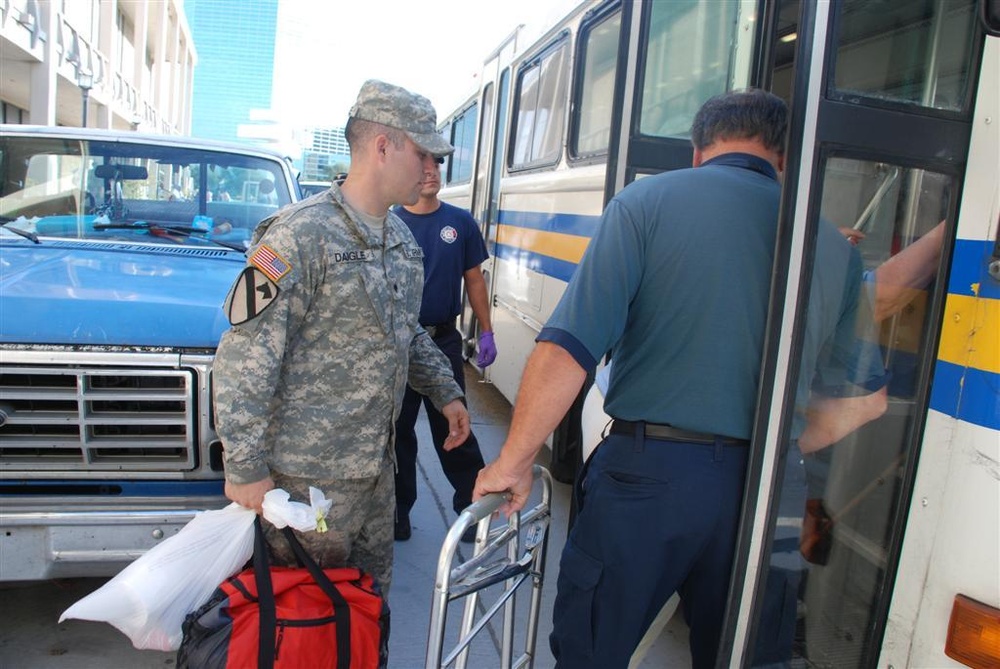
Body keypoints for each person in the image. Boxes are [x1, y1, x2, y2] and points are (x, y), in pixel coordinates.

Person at [473, 89, 888, 668]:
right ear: (783, 158)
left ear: (698, 150)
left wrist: (512, 463)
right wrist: (782, 446)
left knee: (594, 649)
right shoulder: (830, 245)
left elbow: (568, 350)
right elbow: (867, 402)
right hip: (771, 491)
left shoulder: (646, 204)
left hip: (651, 478)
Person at [213, 79, 471, 599]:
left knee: (366, 616)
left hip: (377, 477)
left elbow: (408, 332)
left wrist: (445, 390)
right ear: (383, 146)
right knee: (303, 623)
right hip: (307, 485)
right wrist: (243, 466)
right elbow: (246, 356)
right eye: (423, 153)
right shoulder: (297, 236)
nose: (431, 169)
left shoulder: (400, 240)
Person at [391, 159, 496, 543]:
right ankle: (397, 513)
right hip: (400, 341)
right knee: (397, 429)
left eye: (436, 164)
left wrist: (486, 331)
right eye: (420, 164)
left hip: (442, 339)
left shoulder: (460, 222)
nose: (431, 171)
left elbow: (474, 280)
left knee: (453, 424)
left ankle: (471, 509)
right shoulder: (391, 222)